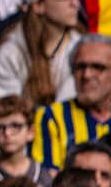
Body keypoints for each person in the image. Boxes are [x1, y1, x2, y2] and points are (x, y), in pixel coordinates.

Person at [0, 0, 85, 107]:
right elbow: (10, 114)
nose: (76, 3)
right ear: (38, 5)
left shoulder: (82, 46)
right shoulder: (10, 54)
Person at [28, 36, 111, 167]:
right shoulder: (51, 117)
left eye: (98, 67)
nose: (87, 75)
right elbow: (48, 180)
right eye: (80, 67)